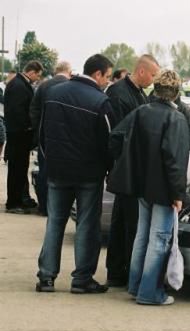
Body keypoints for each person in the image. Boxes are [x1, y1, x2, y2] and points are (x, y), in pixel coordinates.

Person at [107, 69, 190, 306]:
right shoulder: (176, 119)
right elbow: (175, 160)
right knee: (159, 239)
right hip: (163, 189)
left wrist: (127, 164)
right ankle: (149, 293)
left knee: (142, 236)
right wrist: (178, 194)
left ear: (155, 89)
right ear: (175, 93)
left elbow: (115, 137)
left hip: (140, 186)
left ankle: (135, 286)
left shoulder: (141, 112)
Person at [35, 54, 115, 294]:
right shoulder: (100, 102)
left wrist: (50, 161)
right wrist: (108, 169)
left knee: (55, 224)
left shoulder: (54, 94)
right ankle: (81, 279)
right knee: (87, 226)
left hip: (57, 171)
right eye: (107, 76)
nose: (107, 82)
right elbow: (108, 142)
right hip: (89, 175)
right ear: (97, 74)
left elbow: (42, 135)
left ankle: (46, 277)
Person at [105, 55, 160, 287]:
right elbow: (117, 136)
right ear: (141, 72)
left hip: (130, 168)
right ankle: (124, 271)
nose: (154, 79)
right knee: (129, 224)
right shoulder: (119, 94)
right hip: (127, 169)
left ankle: (118, 270)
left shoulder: (137, 92)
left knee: (122, 223)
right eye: (153, 74)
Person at [29, 61, 72, 216]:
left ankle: (44, 206)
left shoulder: (44, 86)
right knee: (63, 174)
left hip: (45, 135)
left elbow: (33, 109)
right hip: (66, 137)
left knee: (44, 170)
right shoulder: (70, 86)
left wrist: (38, 126)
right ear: (68, 71)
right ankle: (59, 208)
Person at [3, 61, 43, 214]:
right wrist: (28, 126)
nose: (37, 79)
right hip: (18, 136)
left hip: (19, 135)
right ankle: (13, 203)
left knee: (20, 170)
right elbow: (17, 111)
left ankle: (19, 199)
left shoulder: (19, 83)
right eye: (37, 75)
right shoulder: (19, 85)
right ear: (32, 71)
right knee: (16, 170)